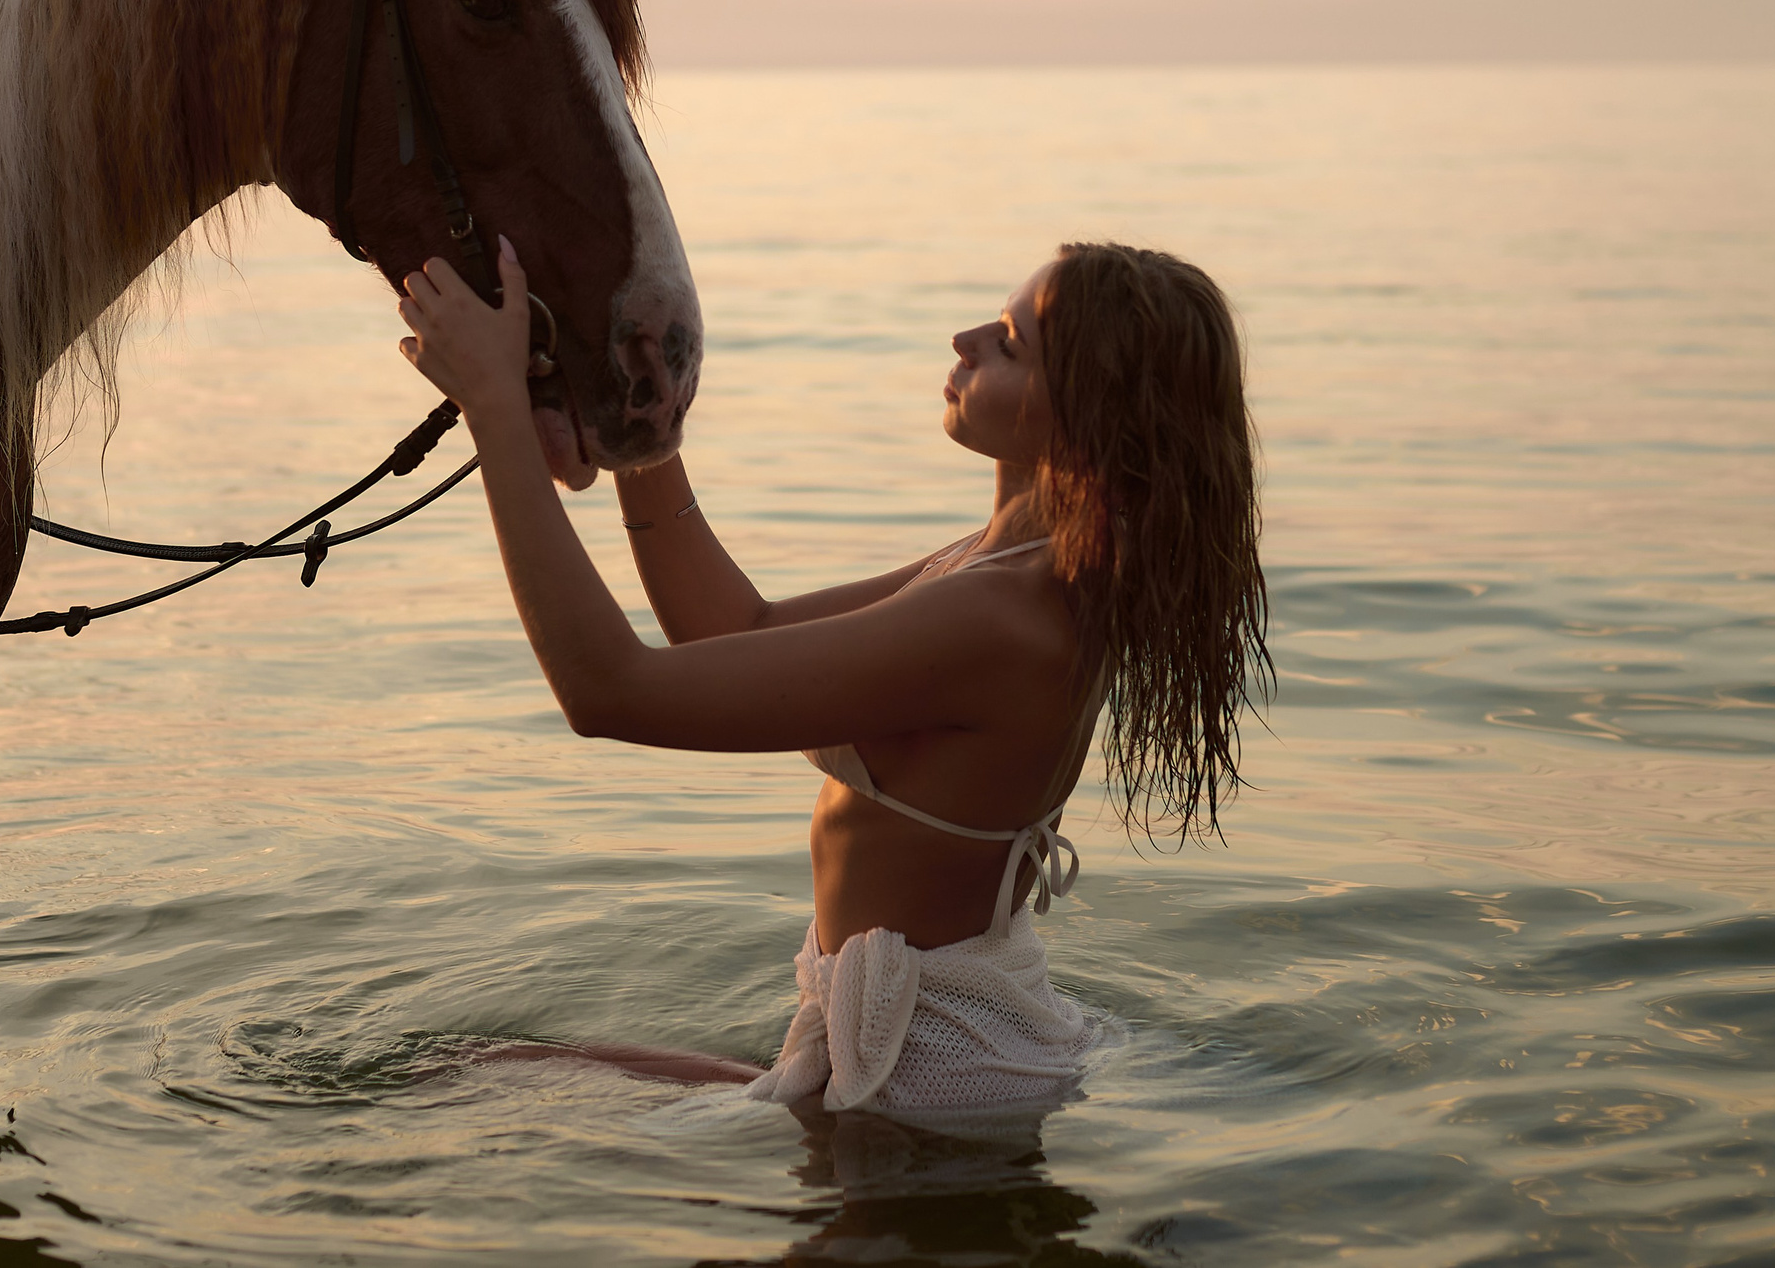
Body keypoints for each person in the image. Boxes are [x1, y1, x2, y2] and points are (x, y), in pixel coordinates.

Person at [397, 237, 1271, 1117]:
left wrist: (495, 407)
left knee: (478, 1081)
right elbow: (738, 631)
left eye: (1008, 341)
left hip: (930, 1078)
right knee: (482, 1071)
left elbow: (607, 689)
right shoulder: (1003, 569)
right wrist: (641, 430)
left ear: (1085, 408)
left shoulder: (1003, 615)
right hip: (925, 1042)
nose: (965, 338)